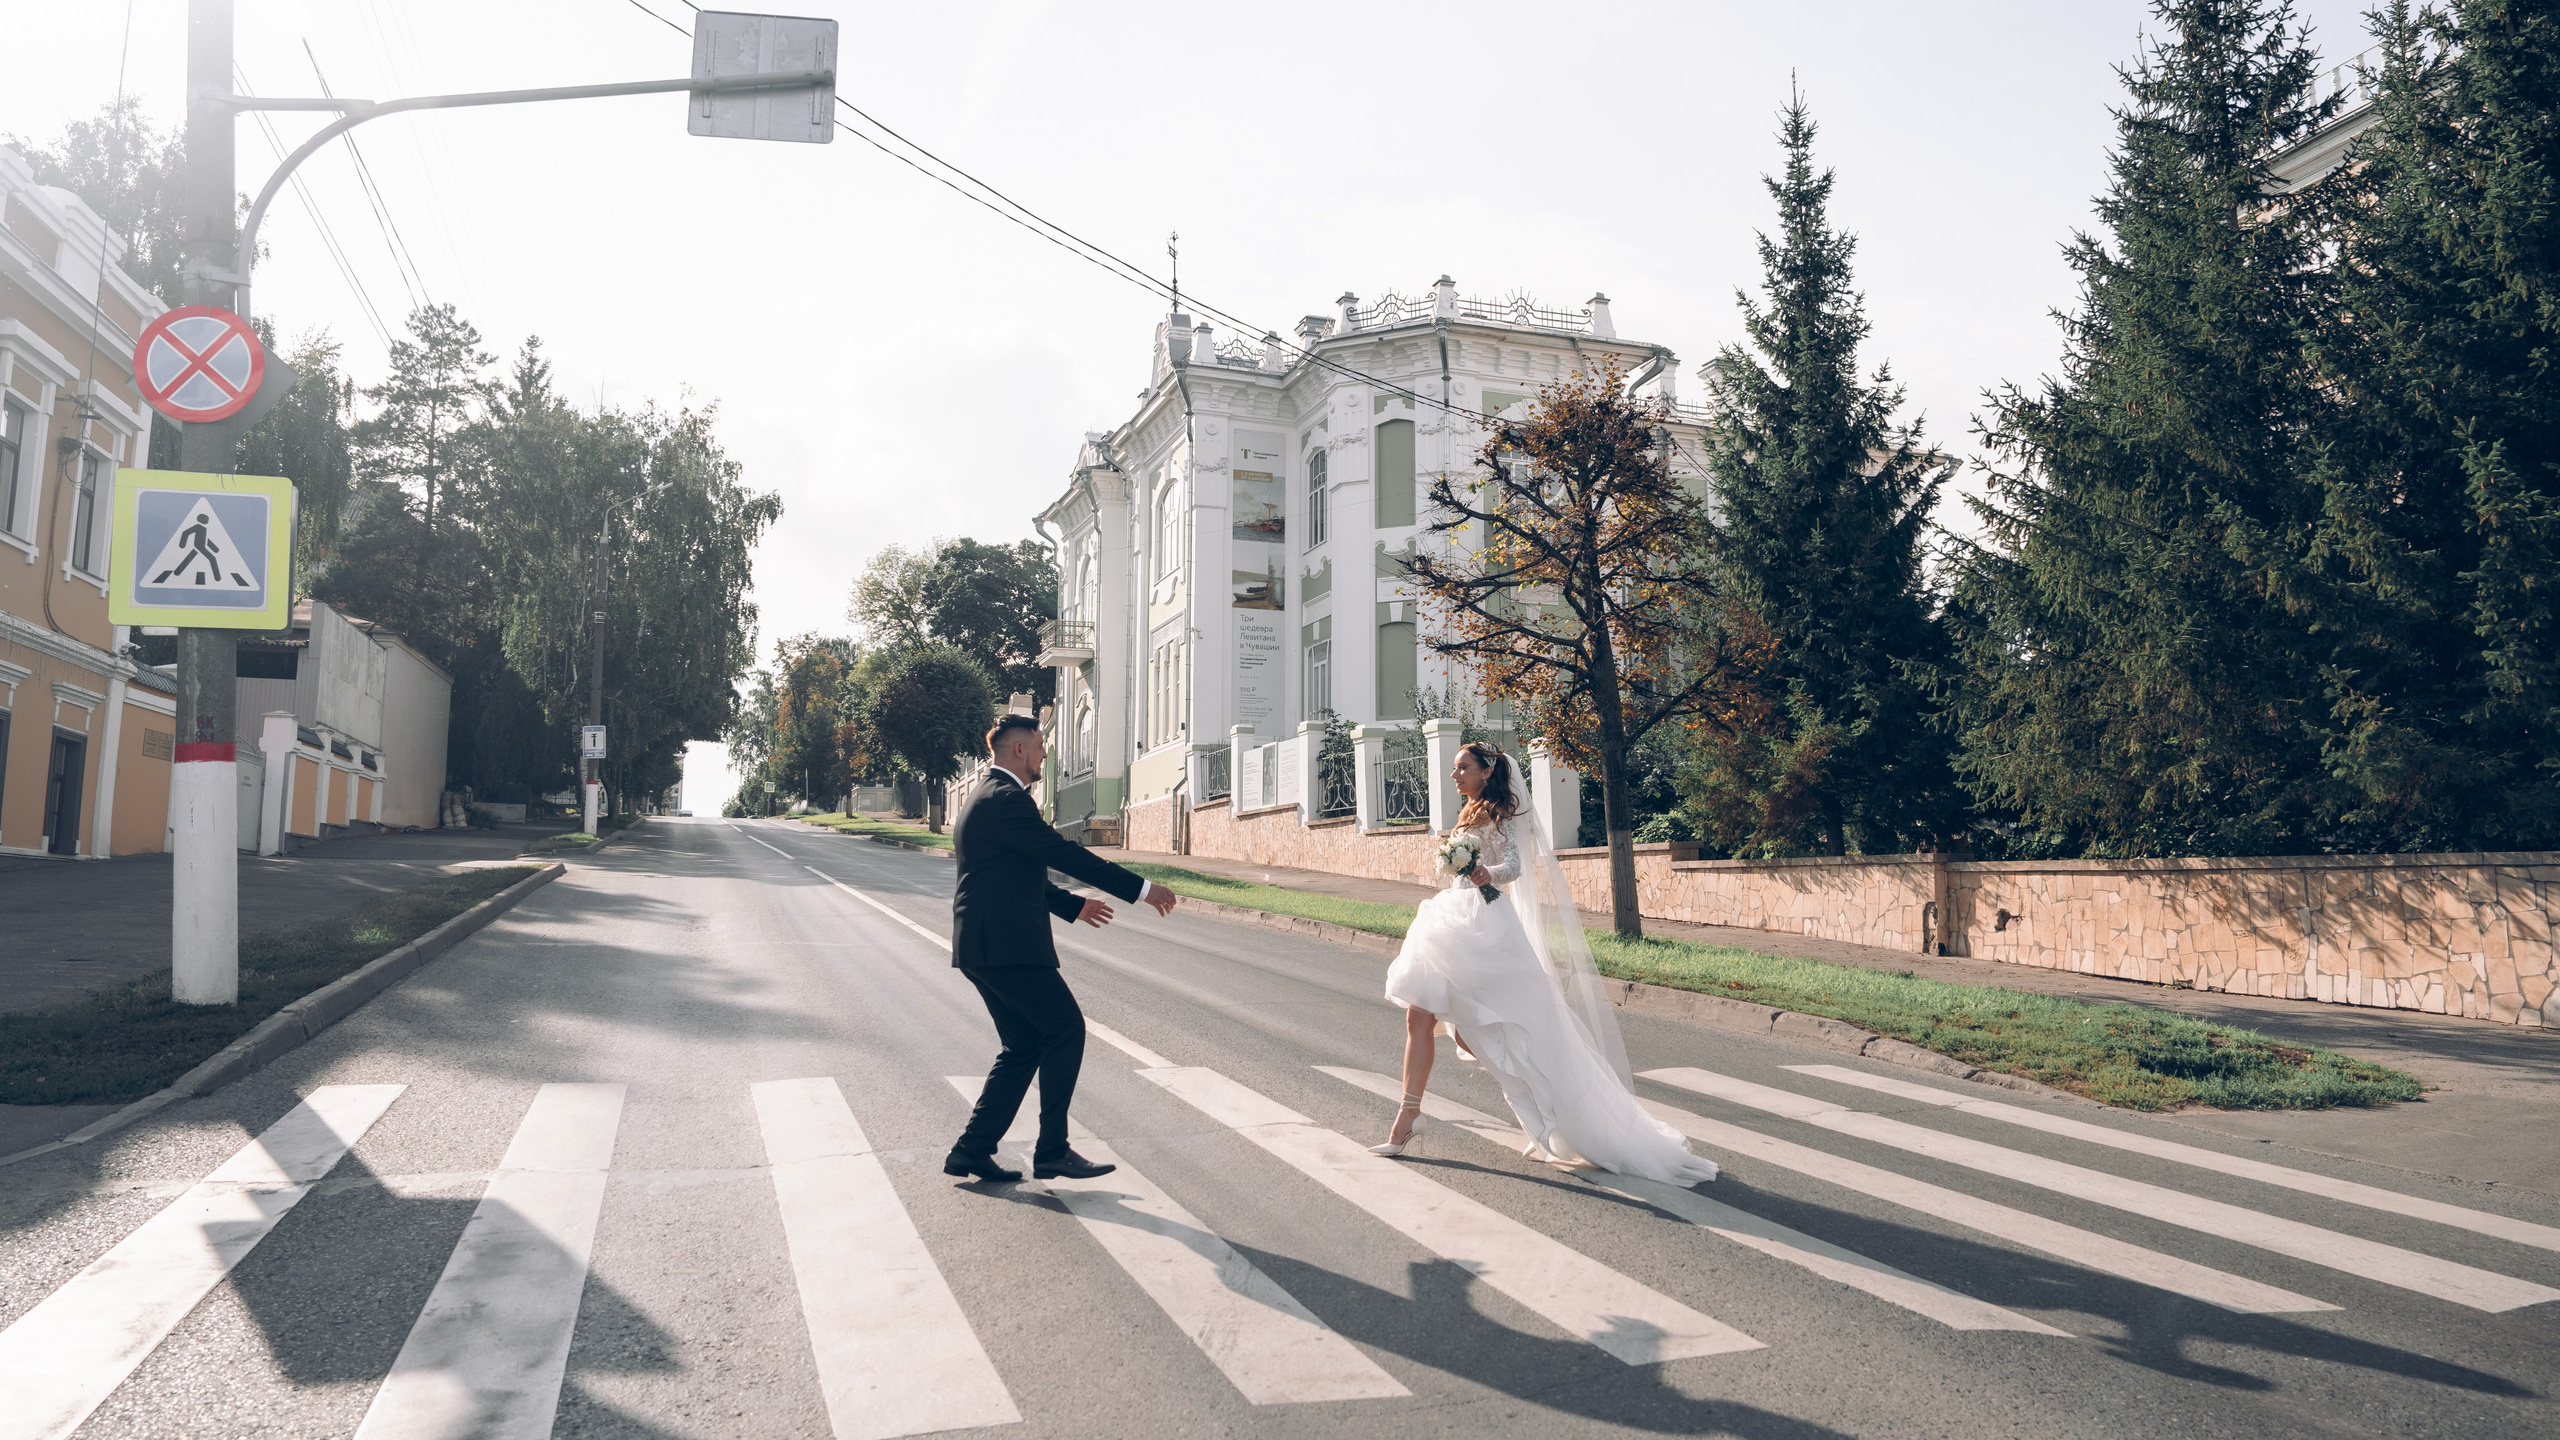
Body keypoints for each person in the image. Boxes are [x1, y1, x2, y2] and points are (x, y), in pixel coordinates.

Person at [1374, 740, 1719, 1185]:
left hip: (1485, 925)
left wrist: (1487, 873)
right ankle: (1409, 1116)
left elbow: (1514, 865)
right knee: (1420, 1016)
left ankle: (1551, 1107)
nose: (1455, 775)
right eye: (1455, 768)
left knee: (1485, 1031)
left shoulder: (1501, 813)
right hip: (1451, 919)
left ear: (1486, 771)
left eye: (1463, 767)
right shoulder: (1468, 810)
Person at [944, 713, 1177, 1184]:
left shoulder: (987, 795)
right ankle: (1052, 1151)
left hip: (986, 945)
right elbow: (1063, 853)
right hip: (1006, 947)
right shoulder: (1008, 800)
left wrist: (1073, 905)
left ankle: (971, 1150)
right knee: (1066, 1028)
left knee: (1023, 1045)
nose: (1044, 755)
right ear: (1019, 750)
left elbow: (1012, 874)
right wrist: (1141, 889)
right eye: (1039, 746)